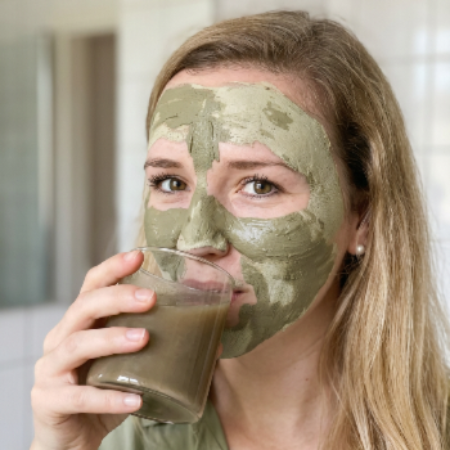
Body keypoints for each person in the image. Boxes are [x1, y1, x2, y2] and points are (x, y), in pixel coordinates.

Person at [30, 10, 450, 450]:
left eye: (259, 185)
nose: (195, 239)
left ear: (362, 218)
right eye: (171, 182)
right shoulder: (115, 429)